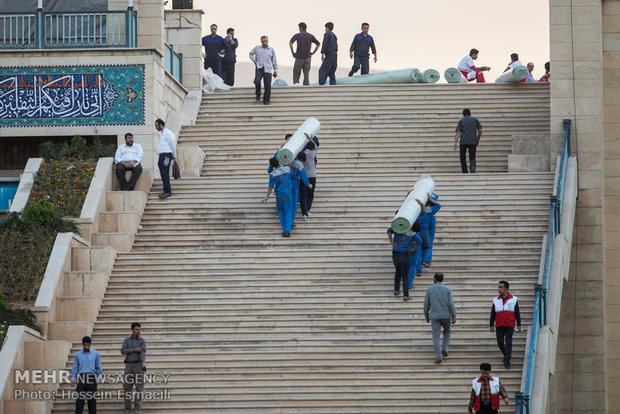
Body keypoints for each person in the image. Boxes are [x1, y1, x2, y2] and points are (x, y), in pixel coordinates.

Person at [424, 272, 456, 364]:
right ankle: (445, 349)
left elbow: (426, 304)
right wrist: (454, 315)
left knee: (436, 336)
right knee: (447, 331)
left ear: (435, 279)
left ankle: (438, 356)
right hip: (446, 315)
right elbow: (451, 304)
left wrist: (426, 315)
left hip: (435, 316)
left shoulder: (430, 289)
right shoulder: (447, 289)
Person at [490, 280, 521, 369]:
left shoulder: (514, 299)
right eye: (498, 287)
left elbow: (517, 313)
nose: (499, 289)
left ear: (506, 289)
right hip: (499, 324)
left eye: (501, 287)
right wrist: (491, 325)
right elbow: (493, 313)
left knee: (508, 343)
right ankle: (506, 355)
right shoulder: (496, 300)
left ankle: (507, 361)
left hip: (509, 324)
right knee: (500, 342)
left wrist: (519, 324)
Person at [387, 222, 420, 302]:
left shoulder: (399, 229)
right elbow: (419, 240)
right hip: (404, 254)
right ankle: (405, 295)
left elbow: (389, 230)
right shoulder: (413, 234)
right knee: (405, 275)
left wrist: (391, 241)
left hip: (395, 254)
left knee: (397, 272)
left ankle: (396, 290)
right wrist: (413, 248)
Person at [263, 158, 296, 237]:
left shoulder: (273, 174)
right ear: (278, 162)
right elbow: (293, 175)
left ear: (271, 165)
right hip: (288, 193)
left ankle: (285, 229)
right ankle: (287, 230)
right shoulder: (287, 169)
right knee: (288, 211)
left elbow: (271, 186)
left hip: (279, 194)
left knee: (281, 212)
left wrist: (267, 196)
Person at [71, 336, 102, 414]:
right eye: (85, 345)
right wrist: (73, 379)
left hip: (92, 378)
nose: (86, 347)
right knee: (79, 401)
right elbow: (75, 368)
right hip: (81, 378)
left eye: (88, 345)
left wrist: (98, 378)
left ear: (90, 344)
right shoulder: (78, 354)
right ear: (82, 344)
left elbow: (99, 367)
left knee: (92, 402)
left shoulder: (95, 353)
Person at [121, 322, 146, 414]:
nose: (139, 331)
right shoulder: (127, 340)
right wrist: (134, 350)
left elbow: (143, 352)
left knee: (139, 388)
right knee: (127, 388)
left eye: (139, 329)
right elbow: (122, 351)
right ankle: (127, 410)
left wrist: (143, 363)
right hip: (128, 366)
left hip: (139, 365)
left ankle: (137, 410)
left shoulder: (142, 341)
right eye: (137, 329)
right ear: (132, 330)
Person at [249, 36, 278, 105]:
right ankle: (258, 93)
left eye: (265, 41)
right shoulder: (257, 48)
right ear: (261, 41)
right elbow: (250, 54)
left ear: (268, 41)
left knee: (267, 86)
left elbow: (274, 60)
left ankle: (266, 100)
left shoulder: (271, 50)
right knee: (257, 81)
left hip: (268, 69)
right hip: (259, 68)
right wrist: (254, 60)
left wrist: (275, 70)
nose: (264, 43)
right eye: (263, 41)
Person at [416, 193, 441, 268]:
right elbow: (438, 205)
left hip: (417, 229)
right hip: (425, 229)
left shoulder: (418, 209)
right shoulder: (429, 209)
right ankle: (426, 260)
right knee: (428, 245)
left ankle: (419, 266)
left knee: (419, 247)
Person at [454, 108, 482, 174]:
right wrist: (477, 139)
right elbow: (480, 130)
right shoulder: (475, 120)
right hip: (473, 141)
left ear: (463, 114)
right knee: (472, 156)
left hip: (463, 141)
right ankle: (472, 166)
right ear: (470, 114)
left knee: (462, 157)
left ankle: (465, 171)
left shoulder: (461, 121)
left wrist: (455, 142)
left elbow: (458, 132)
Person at [155, 118, 176, 199]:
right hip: (161, 156)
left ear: (161, 124)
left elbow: (172, 145)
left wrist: (174, 155)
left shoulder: (168, 133)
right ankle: (165, 190)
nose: (156, 127)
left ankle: (167, 191)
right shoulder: (162, 133)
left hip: (166, 155)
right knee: (163, 174)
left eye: (156, 125)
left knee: (165, 173)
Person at [290, 151, 312, 226]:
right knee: (293, 204)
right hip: (294, 184)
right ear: (301, 159)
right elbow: (303, 175)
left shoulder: (288, 161)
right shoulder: (299, 164)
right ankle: (291, 222)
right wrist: (308, 184)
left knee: (287, 204)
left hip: (286, 184)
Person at [300, 133, 318, 219]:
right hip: (312, 176)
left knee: (303, 195)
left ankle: (304, 213)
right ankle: (308, 210)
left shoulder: (302, 154)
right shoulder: (313, 153)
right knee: (310, 194)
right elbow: (315, 145)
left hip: (303, 177)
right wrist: (310, 138)